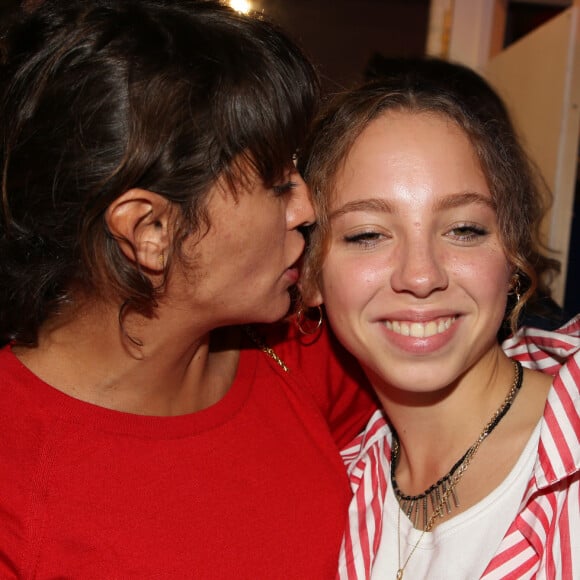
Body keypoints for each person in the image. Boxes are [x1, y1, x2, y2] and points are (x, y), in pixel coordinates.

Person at [0, 1, 376, 577]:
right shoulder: (18, 479)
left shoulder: (301, 346)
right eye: (277, 186)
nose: (306, 207)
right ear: (150, 230)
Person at [299, 57, 580, 579]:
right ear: (310, 276)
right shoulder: (331, 494)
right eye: (367, 235)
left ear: (512, 257)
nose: (421, 276)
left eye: (464, 230)